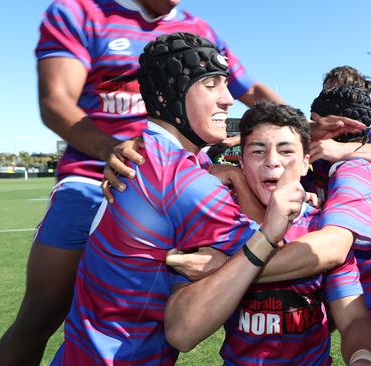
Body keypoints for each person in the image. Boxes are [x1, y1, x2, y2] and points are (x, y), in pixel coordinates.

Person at [0, 1, 283, 364]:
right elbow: (56, 100)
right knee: (39, 316)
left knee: (170, 310)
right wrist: (112, 150)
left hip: (177, 176)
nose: (224, 98)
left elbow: (249, 88)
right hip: (93, 177)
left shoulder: (199, 29)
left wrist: (300, 134)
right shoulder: (79, 11)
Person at [49, 32, 304, 365]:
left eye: (225, 83)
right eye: (210, 85)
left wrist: (231, 174)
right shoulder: (187, 183)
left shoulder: (148, 150)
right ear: (166, 95)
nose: (228, 99)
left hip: (77, 352)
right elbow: (282, 253)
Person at [166, 101, 371, 366]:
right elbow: (181, 333)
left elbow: (354, 319)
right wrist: (266, 234)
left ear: (305, 163)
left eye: (285, 150)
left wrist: (364, 358)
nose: (271, 161)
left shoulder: (321, 229)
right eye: (257, 152)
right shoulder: (217, 224)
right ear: (242, 162)